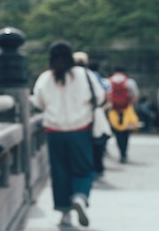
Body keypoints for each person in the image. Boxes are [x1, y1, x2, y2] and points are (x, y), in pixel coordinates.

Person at [31, 41, 105, 228]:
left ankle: (65, 214)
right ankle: (79, 196)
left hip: (55, 131)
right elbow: (100, 97)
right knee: (82, 168)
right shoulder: (84, 75)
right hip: (80, 130)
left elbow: (38, 102)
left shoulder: (46, 78)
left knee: (60, 172)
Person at [73, 52, 110, 179]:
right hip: (92, 114)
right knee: (96, 142)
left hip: (72, 118)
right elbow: (102, 96)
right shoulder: (91, 75)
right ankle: (96, 168)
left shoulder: (65, 74)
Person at [107, 66, 140, 163]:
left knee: (117, 133)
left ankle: (120, 151)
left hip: (113, 111)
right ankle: (124, 153)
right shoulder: (130, 82)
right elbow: (135, 96)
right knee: (126, 133)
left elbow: (106, 96)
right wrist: (128, 102)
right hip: (127, 110)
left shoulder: (108, 81)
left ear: (114, 72)